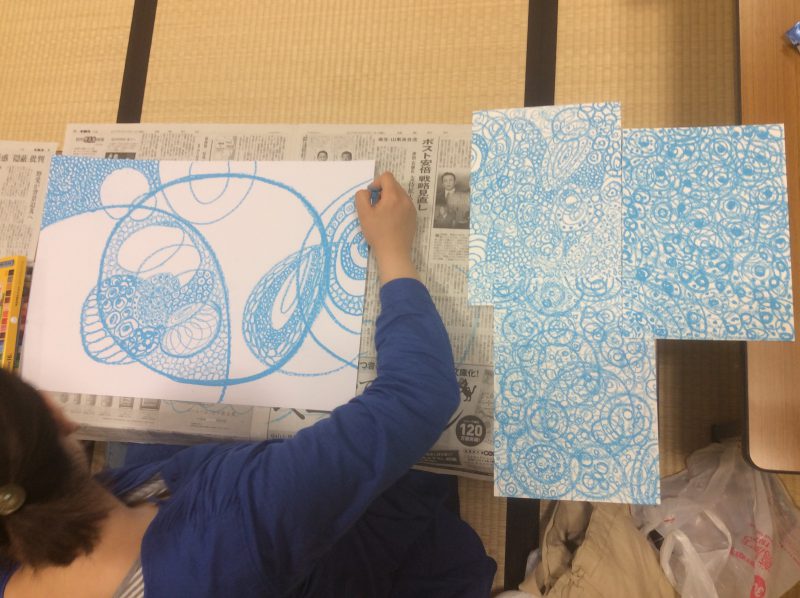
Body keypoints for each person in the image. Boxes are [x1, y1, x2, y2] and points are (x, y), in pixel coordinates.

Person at [0, 172, 496, 597]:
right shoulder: (233, 520)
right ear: (58, 413)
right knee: (408, 449)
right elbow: (420, 394)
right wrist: (392, 249)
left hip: (203, 513)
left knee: (160, 419)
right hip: (358, 563)